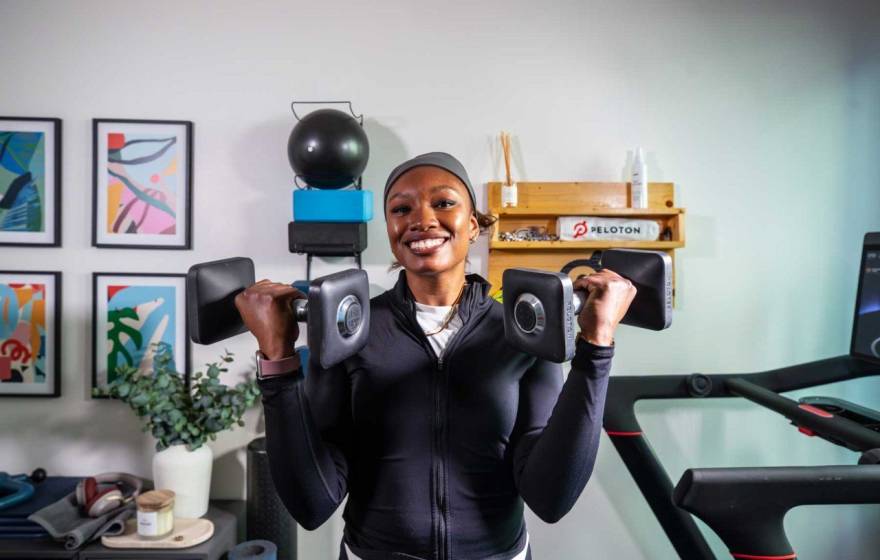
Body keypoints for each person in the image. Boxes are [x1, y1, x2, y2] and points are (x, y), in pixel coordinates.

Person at [235, 152, 636, 560]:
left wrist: (596, 348)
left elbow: (551, 496)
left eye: (443, 203)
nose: (421, 219)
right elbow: (312, 502)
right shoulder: (350, 333)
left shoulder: (523, 334)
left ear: (474, 225)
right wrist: (277, 359)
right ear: (390, 228)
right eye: (401, 209)